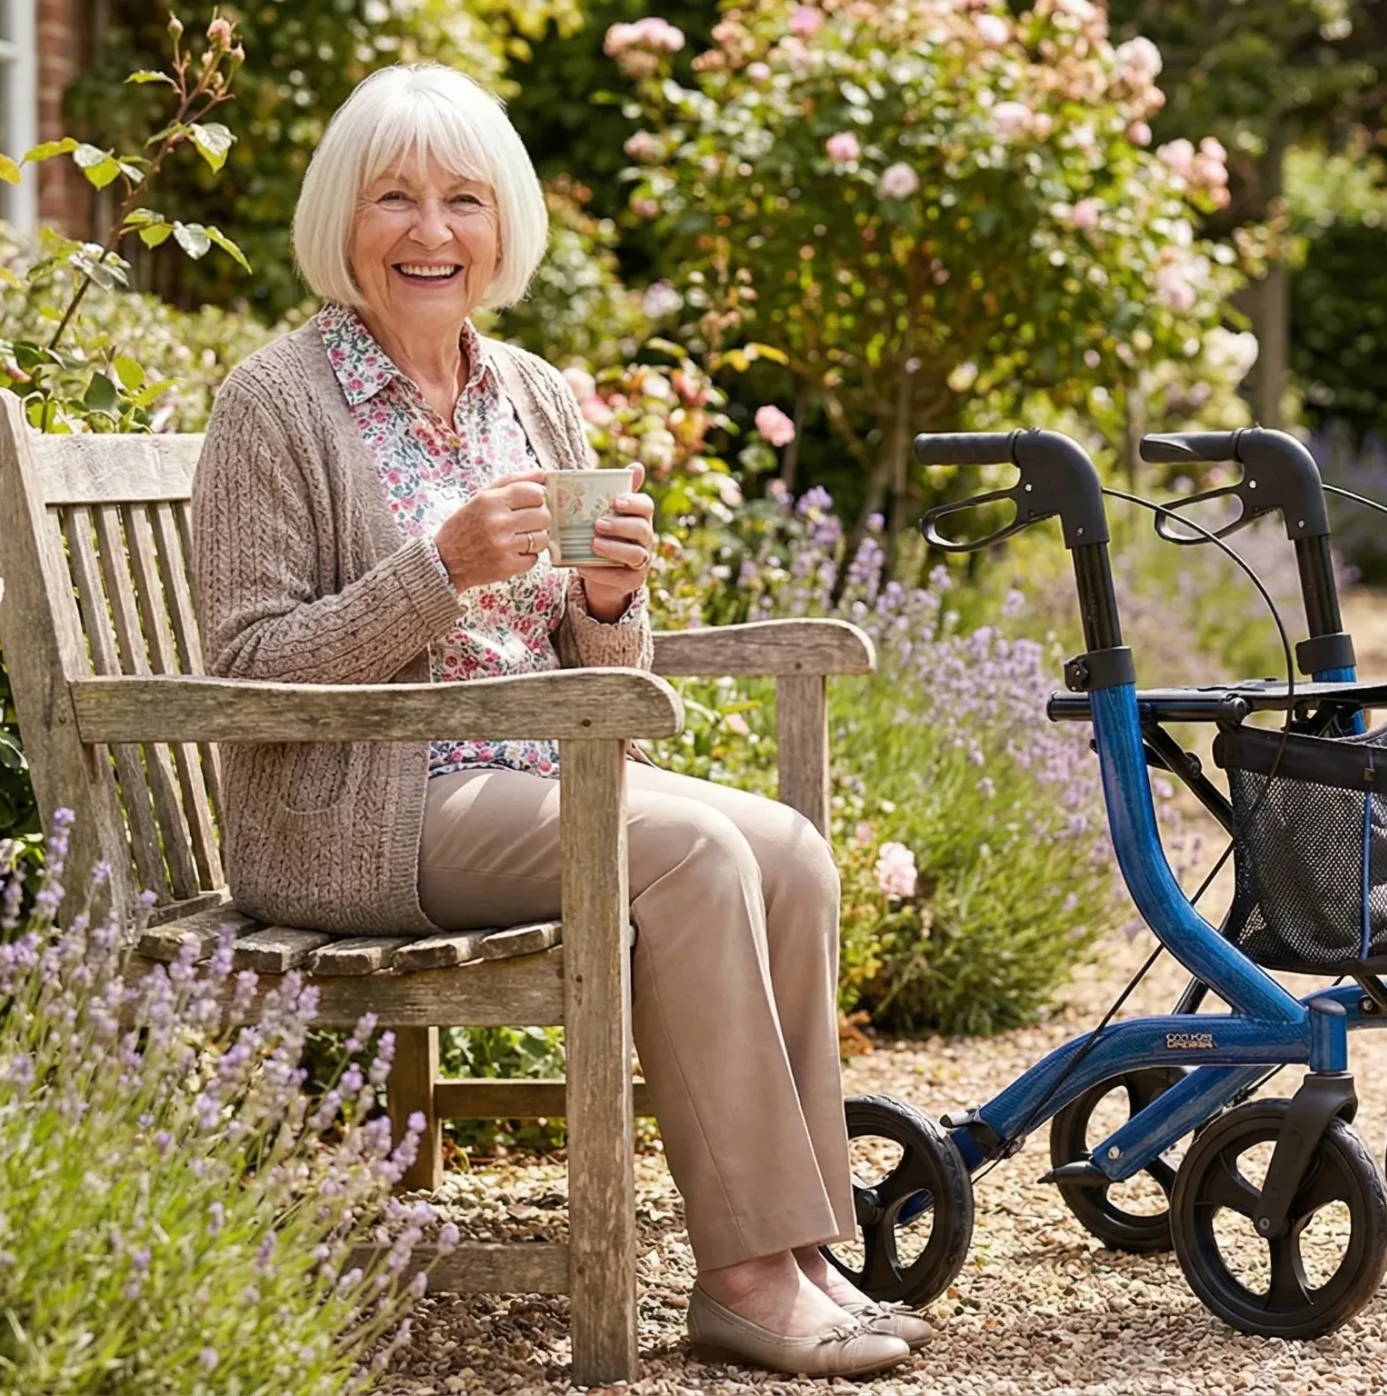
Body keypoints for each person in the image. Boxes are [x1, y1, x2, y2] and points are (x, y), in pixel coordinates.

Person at [186, 63, 927, 1379]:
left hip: (535, 770)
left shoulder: (527, 391)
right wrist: (438, 573)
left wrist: (605, 598)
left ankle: (806, 1252)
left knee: (789, 852)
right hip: (358, 810)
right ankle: (748, 1280)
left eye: (463, 200)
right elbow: (247, 670)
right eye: (395, 199)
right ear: (339, 221)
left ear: (503, 226)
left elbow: (594, 656)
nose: (430, 231)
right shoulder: (273, 406)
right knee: (694, 856)